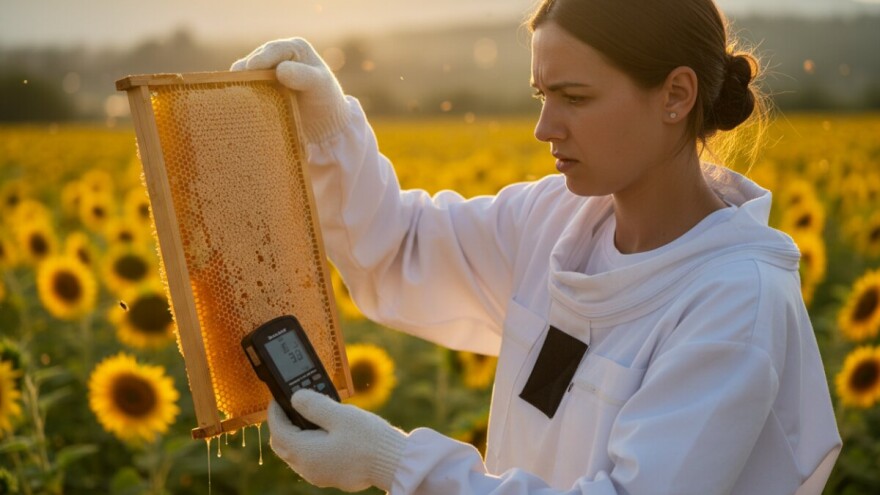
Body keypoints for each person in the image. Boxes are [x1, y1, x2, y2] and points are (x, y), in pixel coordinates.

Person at [231, 0, 841, 493]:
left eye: (574, 98)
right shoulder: (554, 218)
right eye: (540, 96)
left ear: (676, 96)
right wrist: (331, 125)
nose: (545, 128)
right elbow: (402, 250)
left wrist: (397, 465)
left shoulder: (735, 304)